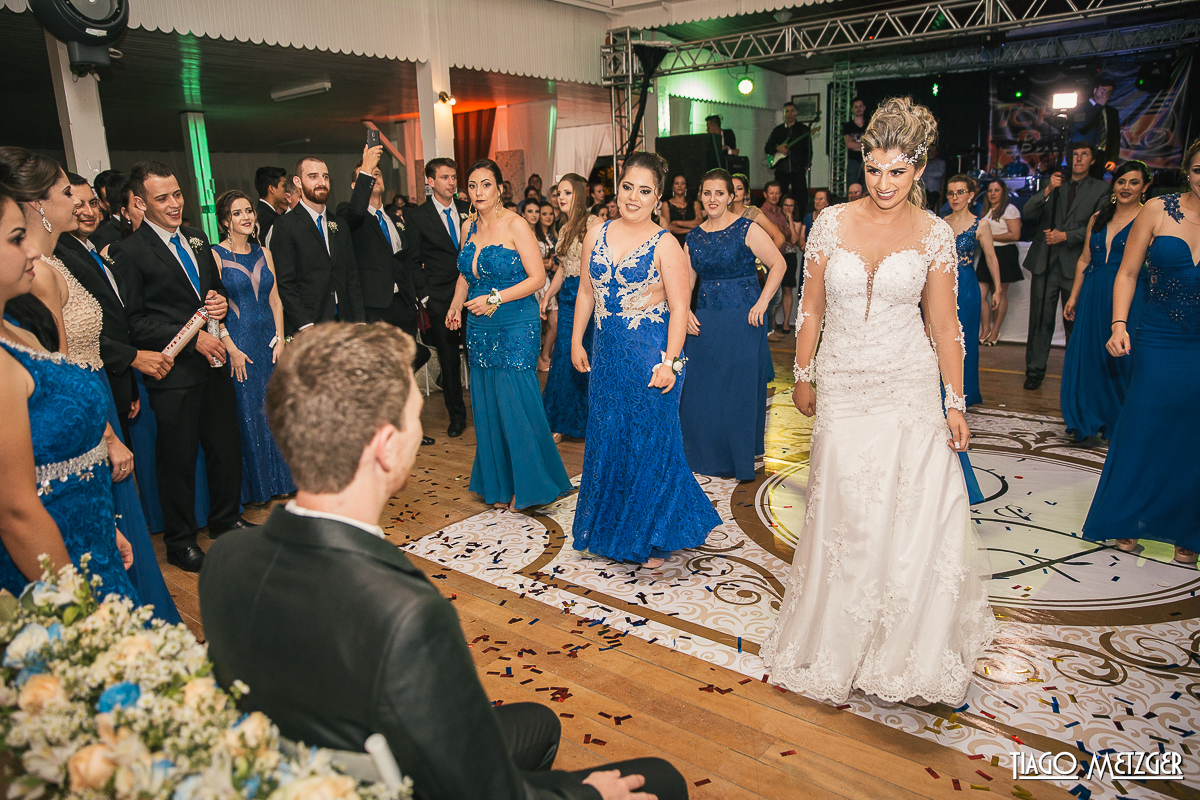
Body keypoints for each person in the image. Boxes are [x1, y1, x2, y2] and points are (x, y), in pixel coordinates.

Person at [199, 322, 686, 800]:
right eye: (415, 416)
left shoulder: (227, 558)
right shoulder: (405, 613)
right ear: (387, 448)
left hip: (321, 761)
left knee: (538, 721)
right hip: (399, 784)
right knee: (661, 779)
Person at [761, 97, 997, 705]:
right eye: (873, 169)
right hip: (841, 384)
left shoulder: (936, 234)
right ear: (861, 165)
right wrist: (803, 372)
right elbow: (810, 306)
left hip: (907, 386)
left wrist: (955, 402)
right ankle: (841, 636)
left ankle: (904, 649)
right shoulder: (831, 223)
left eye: (898, 170)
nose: (884, 183)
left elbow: (945, 327)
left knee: (911, 516)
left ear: (920, 169)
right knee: (847, 515)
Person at [571, 152, 721, 569]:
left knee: (649, 445)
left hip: (651, 359)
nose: (633, 198)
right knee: (609, 440)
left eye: (645, 191)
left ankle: (651, 536)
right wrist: (575, 341)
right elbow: (586, 292)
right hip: (606, 356)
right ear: (617, 188)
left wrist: (671, 363)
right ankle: (610, 529)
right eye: (627, 187)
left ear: (658, 199)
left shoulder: (666, 244)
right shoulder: (595, 234)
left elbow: (679, 307)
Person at [109, 160, 252, 574]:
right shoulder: (128, 251)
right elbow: (135, 321)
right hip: (174, 374)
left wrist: (221, 304)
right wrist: (194, 339)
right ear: (139, 202)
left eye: (177, 194)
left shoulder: (195, 237)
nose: (174, 203)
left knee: (225, 446)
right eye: (162, 198)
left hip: (213, 364)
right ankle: (180, 540)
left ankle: (226, 519)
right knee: (178, 459)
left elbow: (212, 289)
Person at [0, 180, 139, 602]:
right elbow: (15, 510)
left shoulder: (15, 331)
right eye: (15, 238)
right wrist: (76, 609)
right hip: (49, 568)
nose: (30, 252)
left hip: (86, 536)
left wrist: (101, 524)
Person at [1082, 140, 1200, 564]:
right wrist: (1118, 324)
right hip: (1158, 337)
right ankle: (1126, 518)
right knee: (1142, 425)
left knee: (1194, 434)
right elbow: (1128, 272)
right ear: (1187, 170)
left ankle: (1189, 529)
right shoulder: (1157, 210)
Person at [448, 160, 571, 510]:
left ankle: (532, 483)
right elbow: (465, 274)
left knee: (515, 400)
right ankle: (500, 484)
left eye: (486, 184)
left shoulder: (516, 224)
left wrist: (496, 297)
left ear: (499, 189)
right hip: (479, 324)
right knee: (487, 402)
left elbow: (536, 278)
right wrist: (457, 305)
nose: (478, 192)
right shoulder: (467, 226)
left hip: (516, 320)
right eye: (472, 186)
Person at [679, 169, 786, 481]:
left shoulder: (746, 229)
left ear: (730, 197)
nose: (713, 198)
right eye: (707, 193)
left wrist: (763, 302)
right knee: (701, 387)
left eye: (719, 193)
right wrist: (684, 310)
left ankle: (737, 455)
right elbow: (686, 282)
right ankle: (702, 453)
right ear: (701, 196)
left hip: (743, 317)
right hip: (706, 319)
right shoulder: (694, 238)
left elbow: (778, 263)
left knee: (736, 389)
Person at [211, 190, 296, 505]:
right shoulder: (215, 255)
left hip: (269, 343)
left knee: (275, 409)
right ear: (224, 221)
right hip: (240, 343)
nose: (246, 217)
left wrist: (281, 340)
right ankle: (258, 488)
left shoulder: (264, 252)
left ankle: (284, 481)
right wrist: (229, 346)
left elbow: (276, 301)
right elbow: (212, 308)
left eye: (249, 211)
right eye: (237, 213)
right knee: (248, 414)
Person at [1060, 161, 1151, 442]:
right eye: (1121, 181)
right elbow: (1085, 259)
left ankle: (1120, 419)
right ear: (1114, 185)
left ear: (1145, 187)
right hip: (1093, 291)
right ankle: (1086, 418)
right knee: (1089, 356)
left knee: (1122, 357)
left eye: (1134, 182)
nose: (1126, 187)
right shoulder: (1097, 217)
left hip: (1131, 296)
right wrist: (1074, 296)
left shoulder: (1148, 219)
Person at [336, 145, 431, 391]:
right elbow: (356, 213)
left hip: (403, 303)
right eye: (368, 175)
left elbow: (406, 260)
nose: (374, 176)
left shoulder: (393, 217)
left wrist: (415, 296)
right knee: (381, 369)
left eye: (377, 173)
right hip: (375, 305)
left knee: (405, 368)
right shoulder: (347, 214)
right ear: (356, 185)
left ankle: (405, 423)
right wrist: (366, 167)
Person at [1021, 142, 1111, 389]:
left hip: (1075, 265)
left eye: (1084, 155)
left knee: (1074, 321)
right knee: (1040, 319)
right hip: (1045, 262)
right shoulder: (1055, 184)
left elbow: (1101, 225)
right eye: (1074, 155)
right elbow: (1028, 211)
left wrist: (1066, 236)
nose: (1079, 159)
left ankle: (1076, 373)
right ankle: (1035, 371)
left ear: (1092, 160)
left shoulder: (1101, 189)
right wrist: (1049, 188)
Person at [406, 157, 471, 438]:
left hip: (472, 294)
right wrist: (426, 297)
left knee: (477, 355)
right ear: (430, 182)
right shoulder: (418, 217)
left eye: (454, 177)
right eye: (445, 177)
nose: (452, 182)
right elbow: (412, 260)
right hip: (441, 298)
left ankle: (483, 412)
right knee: (448, 360)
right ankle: (456, 416)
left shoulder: (468, 209)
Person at [267, 157, 365, 334]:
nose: (322, 182)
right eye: (313, 176)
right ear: (298, 182)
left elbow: (351, 276)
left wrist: (359, 321)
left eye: (325, 177)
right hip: (309, 324)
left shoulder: (340, 224)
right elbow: (285, 283)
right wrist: (305, 325)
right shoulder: (285, 225)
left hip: (344, 322)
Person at [540, 174, 598, 442]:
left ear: (579, 194)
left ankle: (590, 422)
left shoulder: (594, 224)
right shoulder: (563, 228)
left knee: (587, 357)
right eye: (558, 193)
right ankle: (561, 422)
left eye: (566, 192)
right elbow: (563, 267)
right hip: (566, 298)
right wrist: (548, 295)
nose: (560, 198)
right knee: (563, 357)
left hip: (589, 298)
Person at [944, 175, 1002, 408]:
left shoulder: (981, 225)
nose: (955, 197)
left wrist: (997, 289)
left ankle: (962, 395)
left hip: (967, 285)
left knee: (963, 340)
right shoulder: (940, 223)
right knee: (940, 338)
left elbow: (991, 258)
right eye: (950, 193)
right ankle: (941, 391)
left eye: (960, 192)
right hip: (942, 284)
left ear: (970, 195)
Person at [974, 178, 1024, 346]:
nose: (992, 194)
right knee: (980, 294)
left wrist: (989, 237)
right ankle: (986, 329)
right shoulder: (986, 210)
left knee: (1000, 293)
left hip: (1004, 253)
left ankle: (995, 332)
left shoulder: (1010, 210)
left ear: (1003, 192)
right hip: (987, 252)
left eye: (996, 190)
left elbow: (1015, 234)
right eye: (990, 191)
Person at [764, 101, 813, 213]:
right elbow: (767, 147)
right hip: (781, 170)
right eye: (787, 111)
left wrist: (806, 165)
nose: (790, 114)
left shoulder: (803, 129)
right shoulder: (778, 130)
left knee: (801, 196)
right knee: (780, 196)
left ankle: (799, 219)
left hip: (797, 170)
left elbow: (808, 150)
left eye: (792, 111)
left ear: (796, 112)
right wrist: (777, 148)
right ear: (783, 113)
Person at [759, 182, 789, 336]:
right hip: (767, 261)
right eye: (771, 193)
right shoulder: (760, 214)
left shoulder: (780, 212)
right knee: (773, 295)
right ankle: (767, 328)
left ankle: (769, 327)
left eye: (777, 193)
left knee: (776, 296)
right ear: (765, 194)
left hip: (780, 259)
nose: (774, 196)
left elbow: (787, 236)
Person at [1074, 79, 1121, 179]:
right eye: (1102, 91)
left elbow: (1115, 137)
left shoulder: (1112, 112)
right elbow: (1080, 125)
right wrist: (1098, 106)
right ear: (1095, 90)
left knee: (1096, 187)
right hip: (1082, 156)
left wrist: (1113, 159)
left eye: (1108, 92)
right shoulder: (1080, 108)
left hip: (1101, 155)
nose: (1105, 95)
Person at [532, 201, 558, 373]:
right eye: (544, 214)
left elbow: (558, 263)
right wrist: (547, 264)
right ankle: (536, 360)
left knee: (555, 322)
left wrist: (551, 265)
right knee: (537, 324)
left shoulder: (554, 235)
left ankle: (546, 355)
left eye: (550, 214)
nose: (548, 217)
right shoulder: (533, 235)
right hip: (537, 284)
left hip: (553, 282)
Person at [779, 195, 806, 336]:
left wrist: (790, 220)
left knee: (787, 289)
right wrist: (785, 241)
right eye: (785, 205)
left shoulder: (796, 221)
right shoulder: (775, 218)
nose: (788, 208)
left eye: (791, 205)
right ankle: (772, 324)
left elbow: (795, 240)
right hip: (777, 255)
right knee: (775, 291)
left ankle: (786, 322)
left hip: (790, 257)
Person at [660, 174, 701, 247]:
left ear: (686, 186)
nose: (679, 186)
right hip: (675, 242)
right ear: (672, 186)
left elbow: (699, 223)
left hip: (695, 241)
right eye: (676, 183)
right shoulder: (666, 204)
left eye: (683, 183)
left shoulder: (695, 204)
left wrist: (677, 223)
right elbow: (668, 227)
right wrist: (690, 230)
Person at [253, 165, 288, 244]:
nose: (287, 190)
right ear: (272, 189)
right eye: (284, 186)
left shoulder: (262, 213)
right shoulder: (264, 217)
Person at [842, 97, 867, 188]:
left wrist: (856, 145)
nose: (858, 109)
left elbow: (873, 145)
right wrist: (865, 145)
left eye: (860, 106)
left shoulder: (870, 125)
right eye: (856, 107)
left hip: (867, 160)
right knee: (852, 187)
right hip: (853, 160)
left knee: (867, 188)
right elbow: (849, 144)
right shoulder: (848, 126)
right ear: (852, 109)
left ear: (864, 107)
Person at [922, 144, 947, 211]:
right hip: (923, 190)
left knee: (931, 199)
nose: (931, 153)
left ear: (937, 152)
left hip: (934, 191)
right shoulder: (924, 163)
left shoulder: (941, 163)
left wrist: (926, 173)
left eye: (934, 151)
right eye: (930, 151)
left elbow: (939, 174)